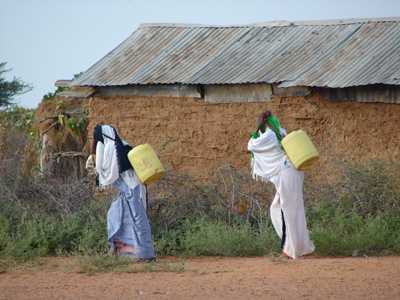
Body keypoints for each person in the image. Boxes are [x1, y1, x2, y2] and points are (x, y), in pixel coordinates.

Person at [247, 111, 314, 259]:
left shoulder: (269, 135)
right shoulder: (280, 131)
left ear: (262, 123)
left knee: (287, 210)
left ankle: (290, 250)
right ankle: (300, 246)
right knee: (281, 208)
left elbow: (251, 146)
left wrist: (256, 131)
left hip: (286, 172)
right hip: (293, 170)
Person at [89, 124, 155, 261]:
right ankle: (122, 252)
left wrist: (95, 166)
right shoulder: (115, 148)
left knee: (138, 220)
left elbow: (106, 173)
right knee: (114, 216)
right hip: (126, 193)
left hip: (133, 190)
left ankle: (145, 254)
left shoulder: (116, 149)